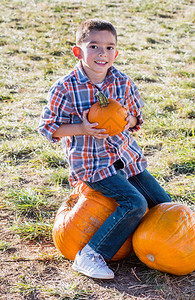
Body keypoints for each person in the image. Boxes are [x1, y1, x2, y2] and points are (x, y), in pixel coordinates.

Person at [39, 19, 171, 280]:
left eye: (109, 47)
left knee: (163, 206)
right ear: (78, 51)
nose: (103, 53)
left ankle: (149, 247)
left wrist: (126, 119)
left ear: (116, 53)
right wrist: (82, 128)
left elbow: (136, 118)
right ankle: (90, 254)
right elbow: (48, 128)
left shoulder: (121, 82)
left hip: (127, 159)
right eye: (94, 46)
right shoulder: (65, 88)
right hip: (93, 164)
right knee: (134, 203)